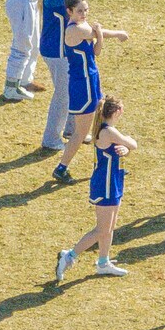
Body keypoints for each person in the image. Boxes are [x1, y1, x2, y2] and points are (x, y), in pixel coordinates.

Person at [54, 98, 136, 281]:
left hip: (113, 182)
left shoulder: (107, 130)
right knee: (101, 229)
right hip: (105, 185)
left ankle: (103, 262)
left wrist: (126, 149)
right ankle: (69, 256)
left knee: (110, 227)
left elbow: (126, 146)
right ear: (116, 112)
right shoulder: (108, 131)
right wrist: (128, 146)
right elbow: (133, 143)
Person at [53, 0, 126, 182]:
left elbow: (96, 51)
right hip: (82, 84)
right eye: (79, 11)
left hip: (91, 80)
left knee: (101, 124)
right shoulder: (75, 30)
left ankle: (105, 164)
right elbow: (94, 35)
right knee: (81, 132)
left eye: (86, 10)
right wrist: (114, 33)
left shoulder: (81, 27)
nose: (84, 14)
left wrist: (100, 34)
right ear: (69, 11)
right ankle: (61, 168)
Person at [37, 0, 101, 149]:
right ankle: (51, 138)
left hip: (63, 50)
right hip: (55, 52)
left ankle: (73, 130)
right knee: (63, 95)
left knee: (70, 90)